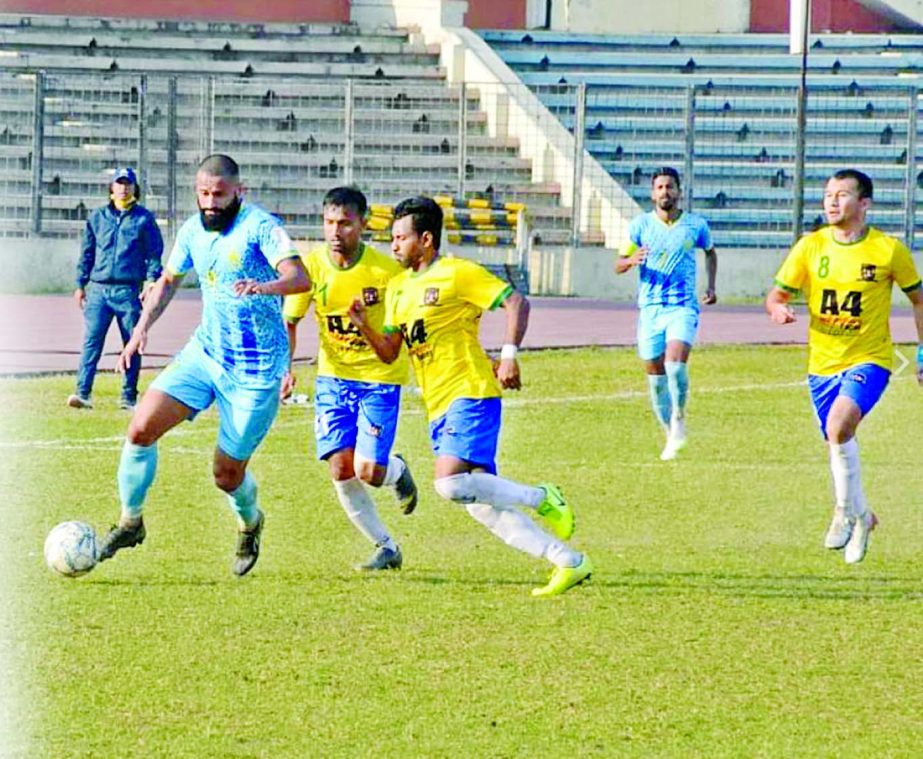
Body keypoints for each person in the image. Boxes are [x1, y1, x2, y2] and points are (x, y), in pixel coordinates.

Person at [348, 196, 592, 597]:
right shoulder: (396, 289)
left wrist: (509, 355)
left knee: (449, 485)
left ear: (425, 239)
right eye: (391, 238)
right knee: (481, 503)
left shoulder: (457, 274)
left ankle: (542, 496)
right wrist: (363, 326)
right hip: (438, 404)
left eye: (400, 238)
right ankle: (568, 561)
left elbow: (516, 302)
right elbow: (392, 352)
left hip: (471, 391)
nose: (393, 246)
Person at [96, 154, 311, 576]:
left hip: (256, 370)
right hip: (206, 353)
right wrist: (140, 330)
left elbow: (301, 279)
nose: (210, 203)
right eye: (204, 194)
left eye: (219, 195)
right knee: (140, 428)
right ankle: (130, 522)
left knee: (226, 475)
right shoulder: (194, 230)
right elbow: (168, 282)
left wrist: (263, 286)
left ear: (238, 192)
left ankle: (250, 523)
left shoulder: (260, 228)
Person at [766, 168, 923, 564]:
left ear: (864, 203)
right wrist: (778, 308)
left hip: (869, 359)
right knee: (837, 442)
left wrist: (922, 353)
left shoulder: (888, 250)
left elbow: (919, 300)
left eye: (842, 195)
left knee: (839, 426)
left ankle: (841, 512)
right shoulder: (810, 247)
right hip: (821, 364)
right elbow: (776, 295)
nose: (832, 202)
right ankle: (864, 516)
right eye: (828, 195)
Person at [282, 187, 418, 571]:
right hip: (333, 379)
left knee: (369, 472)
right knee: (340, 467)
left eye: (344, 223)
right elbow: (290, 322)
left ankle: (397, 470)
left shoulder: (386, 272)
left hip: (379, 378)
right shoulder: (311, 269)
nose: (335, 231)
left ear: (363, 223)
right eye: (329, 222)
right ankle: (386, 547)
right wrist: (286, 368)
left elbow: (399, 334)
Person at [615, 167, 718, 460]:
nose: (665, 192)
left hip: (682, 306)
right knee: (656, 378)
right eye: (659, 187)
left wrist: (711, 286)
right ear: (652, 193)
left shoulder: (695, 226)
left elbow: (710, 252)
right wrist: (632, 259)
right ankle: (668, 434)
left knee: (675, 364)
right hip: (650, 310)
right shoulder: (640, 226)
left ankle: (680, 417)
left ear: (679, 191)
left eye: (670, 187)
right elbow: (619, 264)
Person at [69, 167, 164, 411]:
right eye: (119, 183)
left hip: (127, 289)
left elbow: (154, 253)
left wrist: (152, 280)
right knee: (92, 342)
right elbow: (87, 253)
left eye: (128, 183)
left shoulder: (143, 219)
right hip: (99, 289)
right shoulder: (98, 218)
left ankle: (128, 396)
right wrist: (80, 284)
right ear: (111, 188)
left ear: (135, 188)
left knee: (131, 342)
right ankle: (83, 393)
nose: (123, 188)